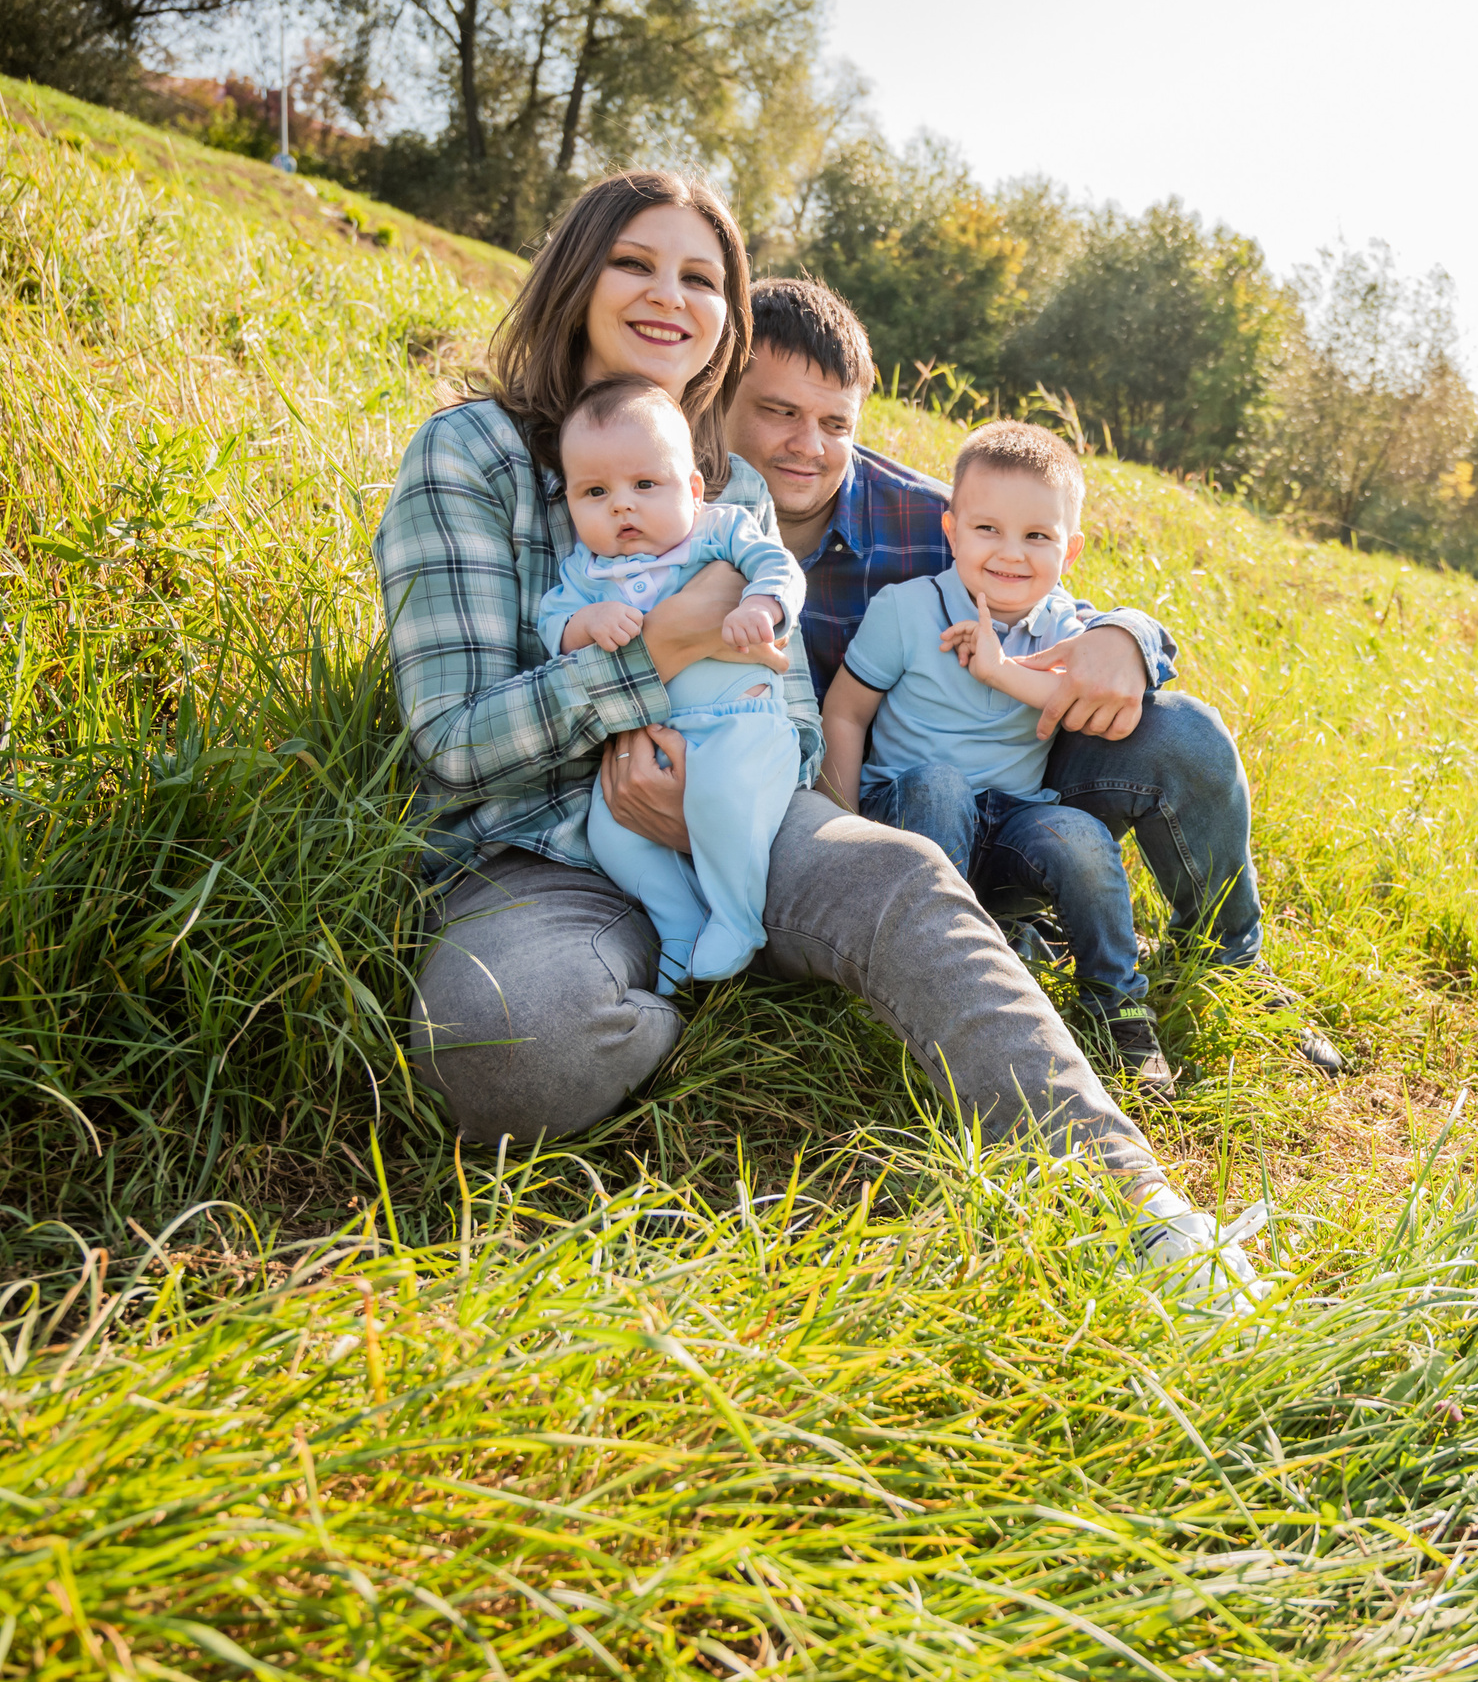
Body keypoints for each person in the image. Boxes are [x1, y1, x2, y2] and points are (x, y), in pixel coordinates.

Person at [374, 168, 1268, 1315]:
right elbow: (452, 743)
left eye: (702, 277)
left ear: (727, 317)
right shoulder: (471, 457)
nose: (669, 296)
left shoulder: (734, 485)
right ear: (574, 274)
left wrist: (1124, 629)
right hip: (534, 851)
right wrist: (654, 663)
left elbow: (799, 713)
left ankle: (1145, 1217)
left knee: (900, 873)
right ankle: (683, 983)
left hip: (742, 800)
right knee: (505, 1040)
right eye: (636, 263)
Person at [727, 278, 1349, 1079]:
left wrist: (1128, 634)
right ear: (722, 395)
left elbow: (1051, 596)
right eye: (779, 411)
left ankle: (1230, 963)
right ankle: (951, 965)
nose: (808, 444)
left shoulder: (930, 517)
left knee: (1183, 729)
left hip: (1012, 797)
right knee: (935, 789)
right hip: (849, 816)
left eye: (834, 422)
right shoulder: (668, 512)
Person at [820, 420, 1172, 1097]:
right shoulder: (907, 610)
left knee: (1078, 834)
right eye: (988, 530)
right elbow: (845, 711)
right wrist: (839, 832)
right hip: (909, 811)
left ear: (1070, 550)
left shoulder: (1072, 631)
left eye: (1037, 536)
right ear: (951, 532)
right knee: (942, 785)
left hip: (1009, 820)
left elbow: (1077, 695)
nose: (1011, 553)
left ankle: (1116, 1001)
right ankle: (936, 978)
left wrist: (998, 667)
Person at [542, 375, 804, 993]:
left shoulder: (720, 529)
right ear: (572, 504)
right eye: (595, 492)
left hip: (740, 727)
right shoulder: (585, 572)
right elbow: (552, 626)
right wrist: (586, 622)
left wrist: (761, 608)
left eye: (645, 485)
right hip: (648, 744)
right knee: (610, 833)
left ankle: (738, 921)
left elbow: (779, 565)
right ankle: (680, 925)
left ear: (691, 489)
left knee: (720, 798)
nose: (621, 506)